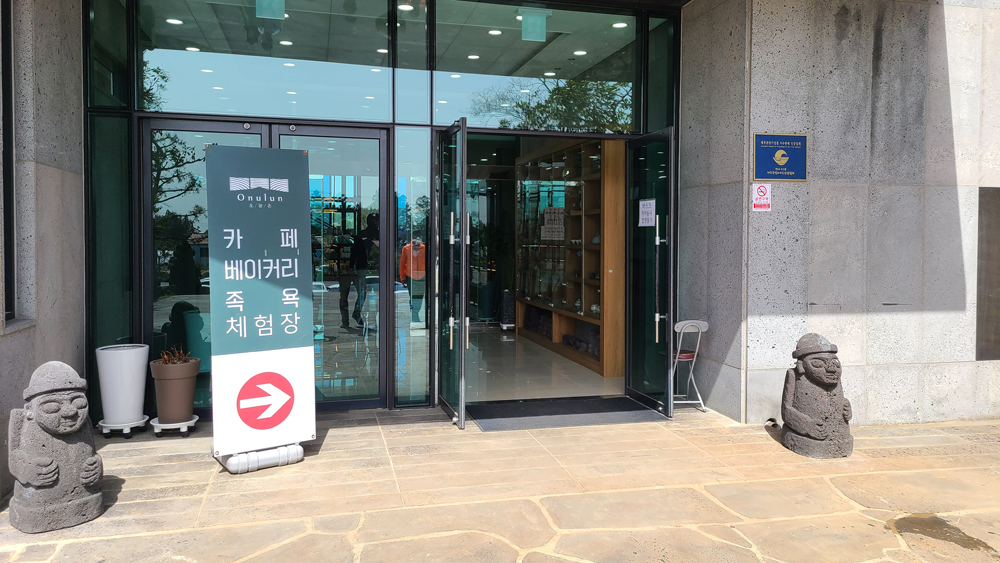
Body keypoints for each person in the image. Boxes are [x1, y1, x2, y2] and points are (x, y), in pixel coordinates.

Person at [340, 212, 379, 329]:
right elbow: (354, 252)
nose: (374, 223)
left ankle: (358, 313)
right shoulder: (361, 235)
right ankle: (355, 314)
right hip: (362, 267)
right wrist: (352, 266)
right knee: (362, 292)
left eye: (376, 220)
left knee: (365, 293)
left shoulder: (381, 234)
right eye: (372, 220)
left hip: (376, 267)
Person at [400, 233, 427, 323]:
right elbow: (402, 264)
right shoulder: (406, 248)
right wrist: (402, 277)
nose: (416, 238)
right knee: (412, 296)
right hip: (410, 276)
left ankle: (416, 313)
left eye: (418, 236)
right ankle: (414, 315)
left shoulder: (424, 248)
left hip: (422, 276)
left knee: (420, 296)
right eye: (414, 236)